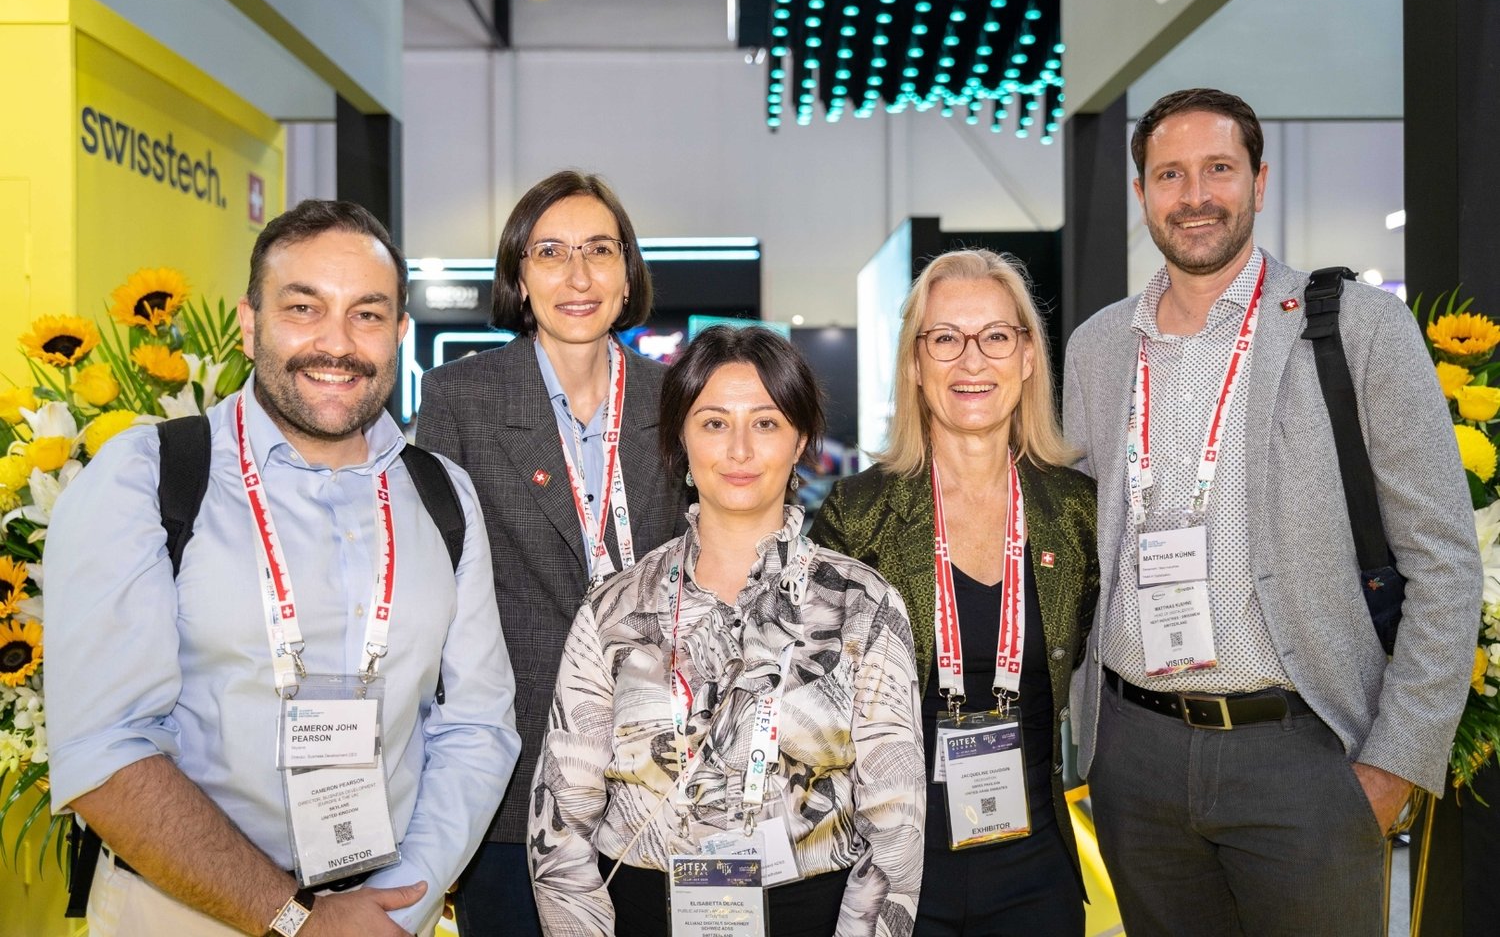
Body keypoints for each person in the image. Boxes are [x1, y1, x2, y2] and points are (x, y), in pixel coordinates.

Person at [1062, 87, 1482, 935]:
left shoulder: (1357, 328)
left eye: (1218, 168)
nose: (1196, 196)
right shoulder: (1098, 348)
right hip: (1136, 758)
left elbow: (1444, 559)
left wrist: (1395, 766)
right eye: (1170, 175)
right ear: (1141, 193)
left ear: (1258, 180)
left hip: (1304, 755)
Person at [45, 199, 522, 937]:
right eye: (304, 308)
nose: (337, 343)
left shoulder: (442, 494)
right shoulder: (148, 477)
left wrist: (396, 907)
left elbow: (478, 727)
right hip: (182, 914)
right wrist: (295, 918)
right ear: (250, 323)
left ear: (400, 334)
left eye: (367, 315)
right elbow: (104, 750)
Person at [528, 325, 925, 937]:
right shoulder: (614, 608)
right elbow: (561, 819)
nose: (740, 449)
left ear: (799, 440)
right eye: (714, 423)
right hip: (642, 910)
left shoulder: (863, 605)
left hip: (811, 915)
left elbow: (896, 827)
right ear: (680, 439)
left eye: (765, 423)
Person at [416, 170, 685, 936]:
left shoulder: (677, 400)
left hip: (657, 768)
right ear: (519, 276)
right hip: (513, 774)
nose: (578, 275)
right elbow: (434, 588)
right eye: (551, 252)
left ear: (628, 275)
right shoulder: (461, 398)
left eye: (599, 250)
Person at [810, 249, 1098, 936]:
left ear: (1027, 357)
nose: (972, 360)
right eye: (945, 338)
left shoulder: (1076, 511)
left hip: (1036, 867)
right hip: (894, 869)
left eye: (995, 336)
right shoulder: (857, 514)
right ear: (916, 362)